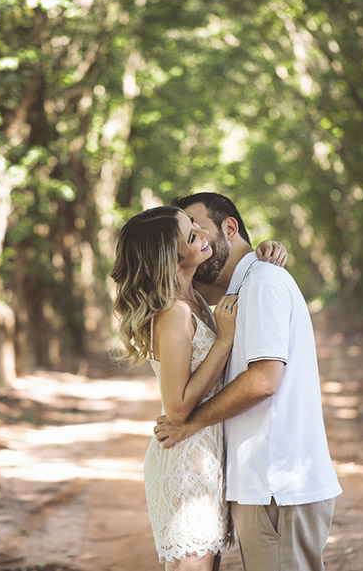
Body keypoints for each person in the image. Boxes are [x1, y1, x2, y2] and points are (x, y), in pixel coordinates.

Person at [154, 192, 342, 571]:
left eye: (197, 230)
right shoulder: (231, 295)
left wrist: (190, 423)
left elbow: (263, 381)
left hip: (277, 482)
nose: (196, 242)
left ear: (230, 228)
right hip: (260, 484)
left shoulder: (262, 283)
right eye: (185, 239)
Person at [110, 205, 287, 571]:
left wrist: (266, 250)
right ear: (171, 259)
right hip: (186, 457)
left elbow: (239, 272)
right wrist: (223, 341)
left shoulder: (194, 301)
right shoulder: (174, 313)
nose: (204, 234)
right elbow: (176, 409)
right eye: (192, 236)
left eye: (195, 226)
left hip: (206, 456)